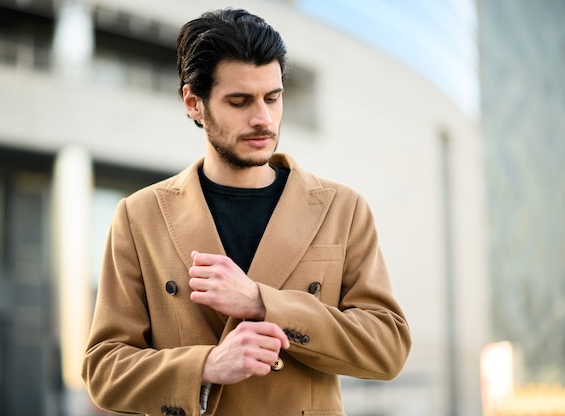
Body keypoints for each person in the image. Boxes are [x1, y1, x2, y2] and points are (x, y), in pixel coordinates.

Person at [82, 8, 411, 416]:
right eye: (239, 101)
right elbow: (104, 369)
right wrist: (205, 366)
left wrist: (262, 303)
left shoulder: (342, 209)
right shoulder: (139, 216)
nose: (263, 119)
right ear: (193, 102)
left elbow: (387, 347)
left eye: (273, 98)